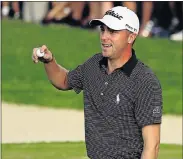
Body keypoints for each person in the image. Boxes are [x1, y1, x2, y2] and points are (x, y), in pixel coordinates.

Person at [32, 6, 162, 159]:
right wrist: (49, 61)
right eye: (103, 29)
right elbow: (65, 80)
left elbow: (152, 146)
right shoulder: (94, 65)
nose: (104, 37)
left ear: (131, 37)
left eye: (112, 31)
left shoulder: (144, 80)